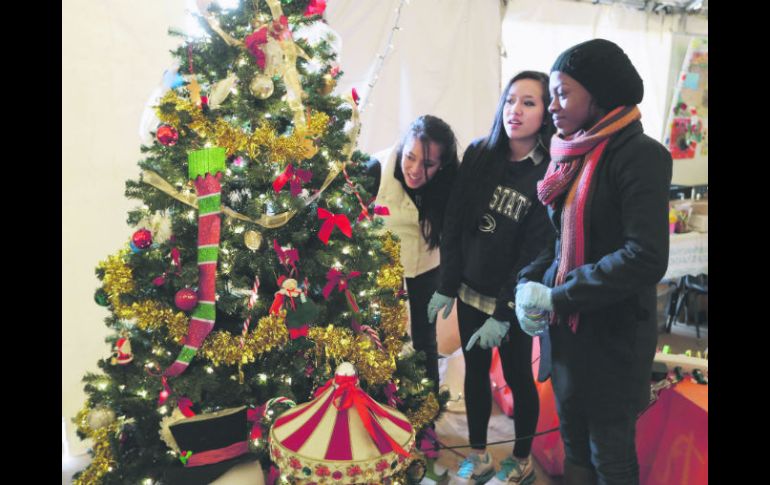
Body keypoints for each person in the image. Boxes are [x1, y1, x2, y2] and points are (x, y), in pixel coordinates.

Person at [515, 39, 673, 485]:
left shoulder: (639, 156)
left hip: (612, 338)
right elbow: (557, 241)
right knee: (574, 446)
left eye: (563, 93)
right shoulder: (571, 154)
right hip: (567, 336)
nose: (552, 107)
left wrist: (559, 295)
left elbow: (644, 257)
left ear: (599, 93)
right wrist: (528, 284)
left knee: (611, 456)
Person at [427, 71, 556, 485]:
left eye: (529, 102)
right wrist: (447, 283)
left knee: (519, 378)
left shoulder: (548, 172)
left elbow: (536, 252)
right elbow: (456, 221)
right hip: (469, 292)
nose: (514, 111)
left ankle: (520, 460)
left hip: (513, 302)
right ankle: (479, 455)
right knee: (476, 374)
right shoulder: (482, 153)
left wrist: (504, 312)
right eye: (510, 100)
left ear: (545, 112)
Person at [367, 114, 460, 393]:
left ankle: (428, 411)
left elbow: (456, 234)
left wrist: (450, 283)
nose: (416, 170)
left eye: (428, 164)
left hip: (427, 261)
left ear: (442, 165)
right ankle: (385, 403)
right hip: (384, 259)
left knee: (425, 339)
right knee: (385, 336)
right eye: (410, 157)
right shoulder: (375, 169)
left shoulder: (451, 181)